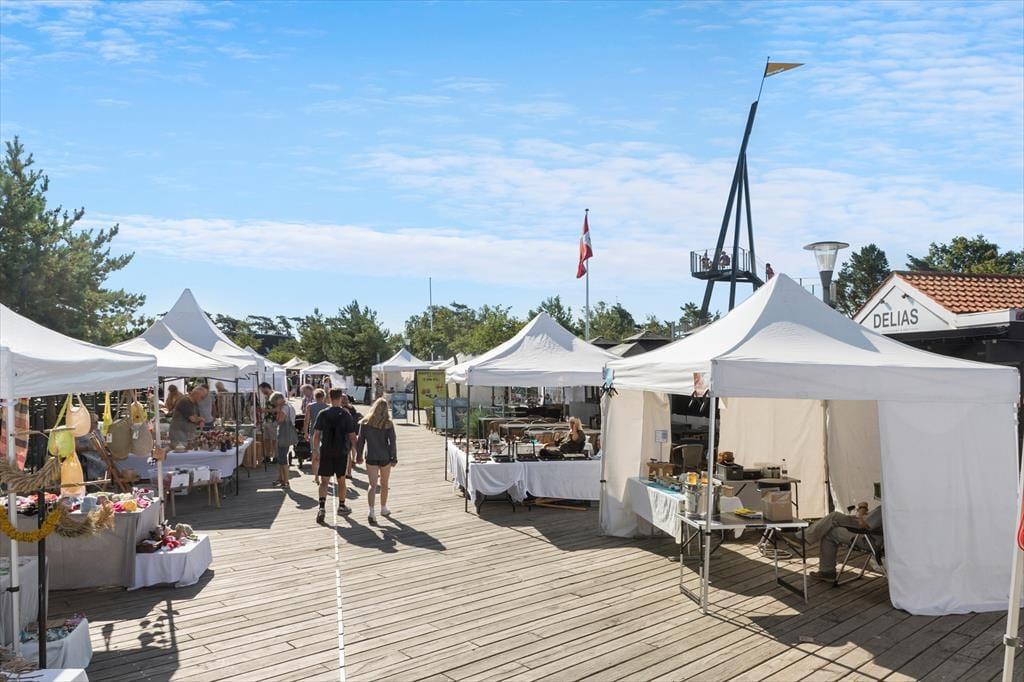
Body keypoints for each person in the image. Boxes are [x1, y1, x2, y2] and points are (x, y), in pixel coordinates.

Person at [311, 388, 358, 524]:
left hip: (326, 450)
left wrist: (315, 451)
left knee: (324, 481)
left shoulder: (323, 413)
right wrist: (358, 452)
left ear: (329, 398)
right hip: (341, 452)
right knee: (341, 481)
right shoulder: (346, 414)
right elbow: (352, 436)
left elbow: (316, 435)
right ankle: (341, 506)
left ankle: (321, 507)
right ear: (340, 398)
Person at [808, 502, 883, 581]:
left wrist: (862, 509)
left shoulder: (885, 508)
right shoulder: (890, 508)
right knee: (834, 516)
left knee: (830, 531)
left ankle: (827, 571)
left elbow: (863, 525)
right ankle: (803, 538)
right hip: (871, 535)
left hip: (868, 539)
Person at [356, 398, 397, 525]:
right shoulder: (388, 424)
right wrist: (394, 457)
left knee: (372, 485)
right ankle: (383, 508)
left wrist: (358, 456)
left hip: (371, 456)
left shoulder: (365, 422)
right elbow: (392, 442)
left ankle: (371, 511)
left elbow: (360, 441)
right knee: (384, 484)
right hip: (385, 457)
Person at [268, 391, 297, 489]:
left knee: (283, 458)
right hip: (285, 434)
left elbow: (280, 420)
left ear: (279, 399)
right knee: (281, 458)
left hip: (284, 434)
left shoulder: (284, 408)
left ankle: (285, 481)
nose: (275, 404)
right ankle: (281, 479)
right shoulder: (288, 406)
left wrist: (278, 411)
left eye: (275, 402)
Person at [340, 393, 363, 479]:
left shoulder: (343, 409)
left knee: (346, 453)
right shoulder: (352, 407)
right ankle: (349, 472)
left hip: (345, 433)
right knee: (349, 452)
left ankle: (347, 472)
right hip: (352, 431)